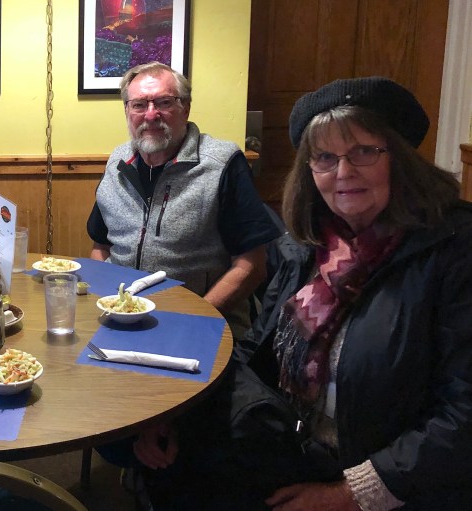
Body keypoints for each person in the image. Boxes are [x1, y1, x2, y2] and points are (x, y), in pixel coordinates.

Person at [132, 77, 472, 510]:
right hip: (292, 445)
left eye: (364, 151)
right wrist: (181, 415)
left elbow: (462, 414)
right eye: (325, 157)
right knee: (164, 474)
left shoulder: (455, 250)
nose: (343, 173)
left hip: (384, 480)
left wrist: (351, 495)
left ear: (401, 158)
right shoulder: (308, 246)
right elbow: (259, 349)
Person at [87, 62, 280, 339]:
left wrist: (194, 320)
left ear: (186, 108)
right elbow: (101, 246)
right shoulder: (117, 162)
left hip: (202, 324)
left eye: (164, 102)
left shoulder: (222, 163)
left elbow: (251, 265)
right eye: (139, 105)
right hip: (122, 318)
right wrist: (110, 304)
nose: (151, 115)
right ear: (127, 111)